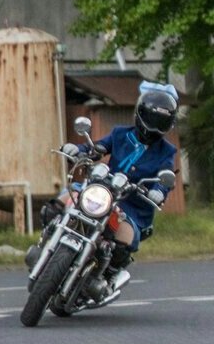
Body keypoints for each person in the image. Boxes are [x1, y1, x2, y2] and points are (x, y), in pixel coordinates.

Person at [58, 80, 179, 274]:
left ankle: (104, 275)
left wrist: (159, 191)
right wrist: (79, 150)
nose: (155, 126)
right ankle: (49, 239)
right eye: (151, 117)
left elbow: (166, 175)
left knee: (125, 239)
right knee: (63, 199)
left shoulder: (167, 152)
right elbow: (98, 148)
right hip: (102, 190)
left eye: (161, 121)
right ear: (140, 113)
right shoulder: (120, 134)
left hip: (131, 206)